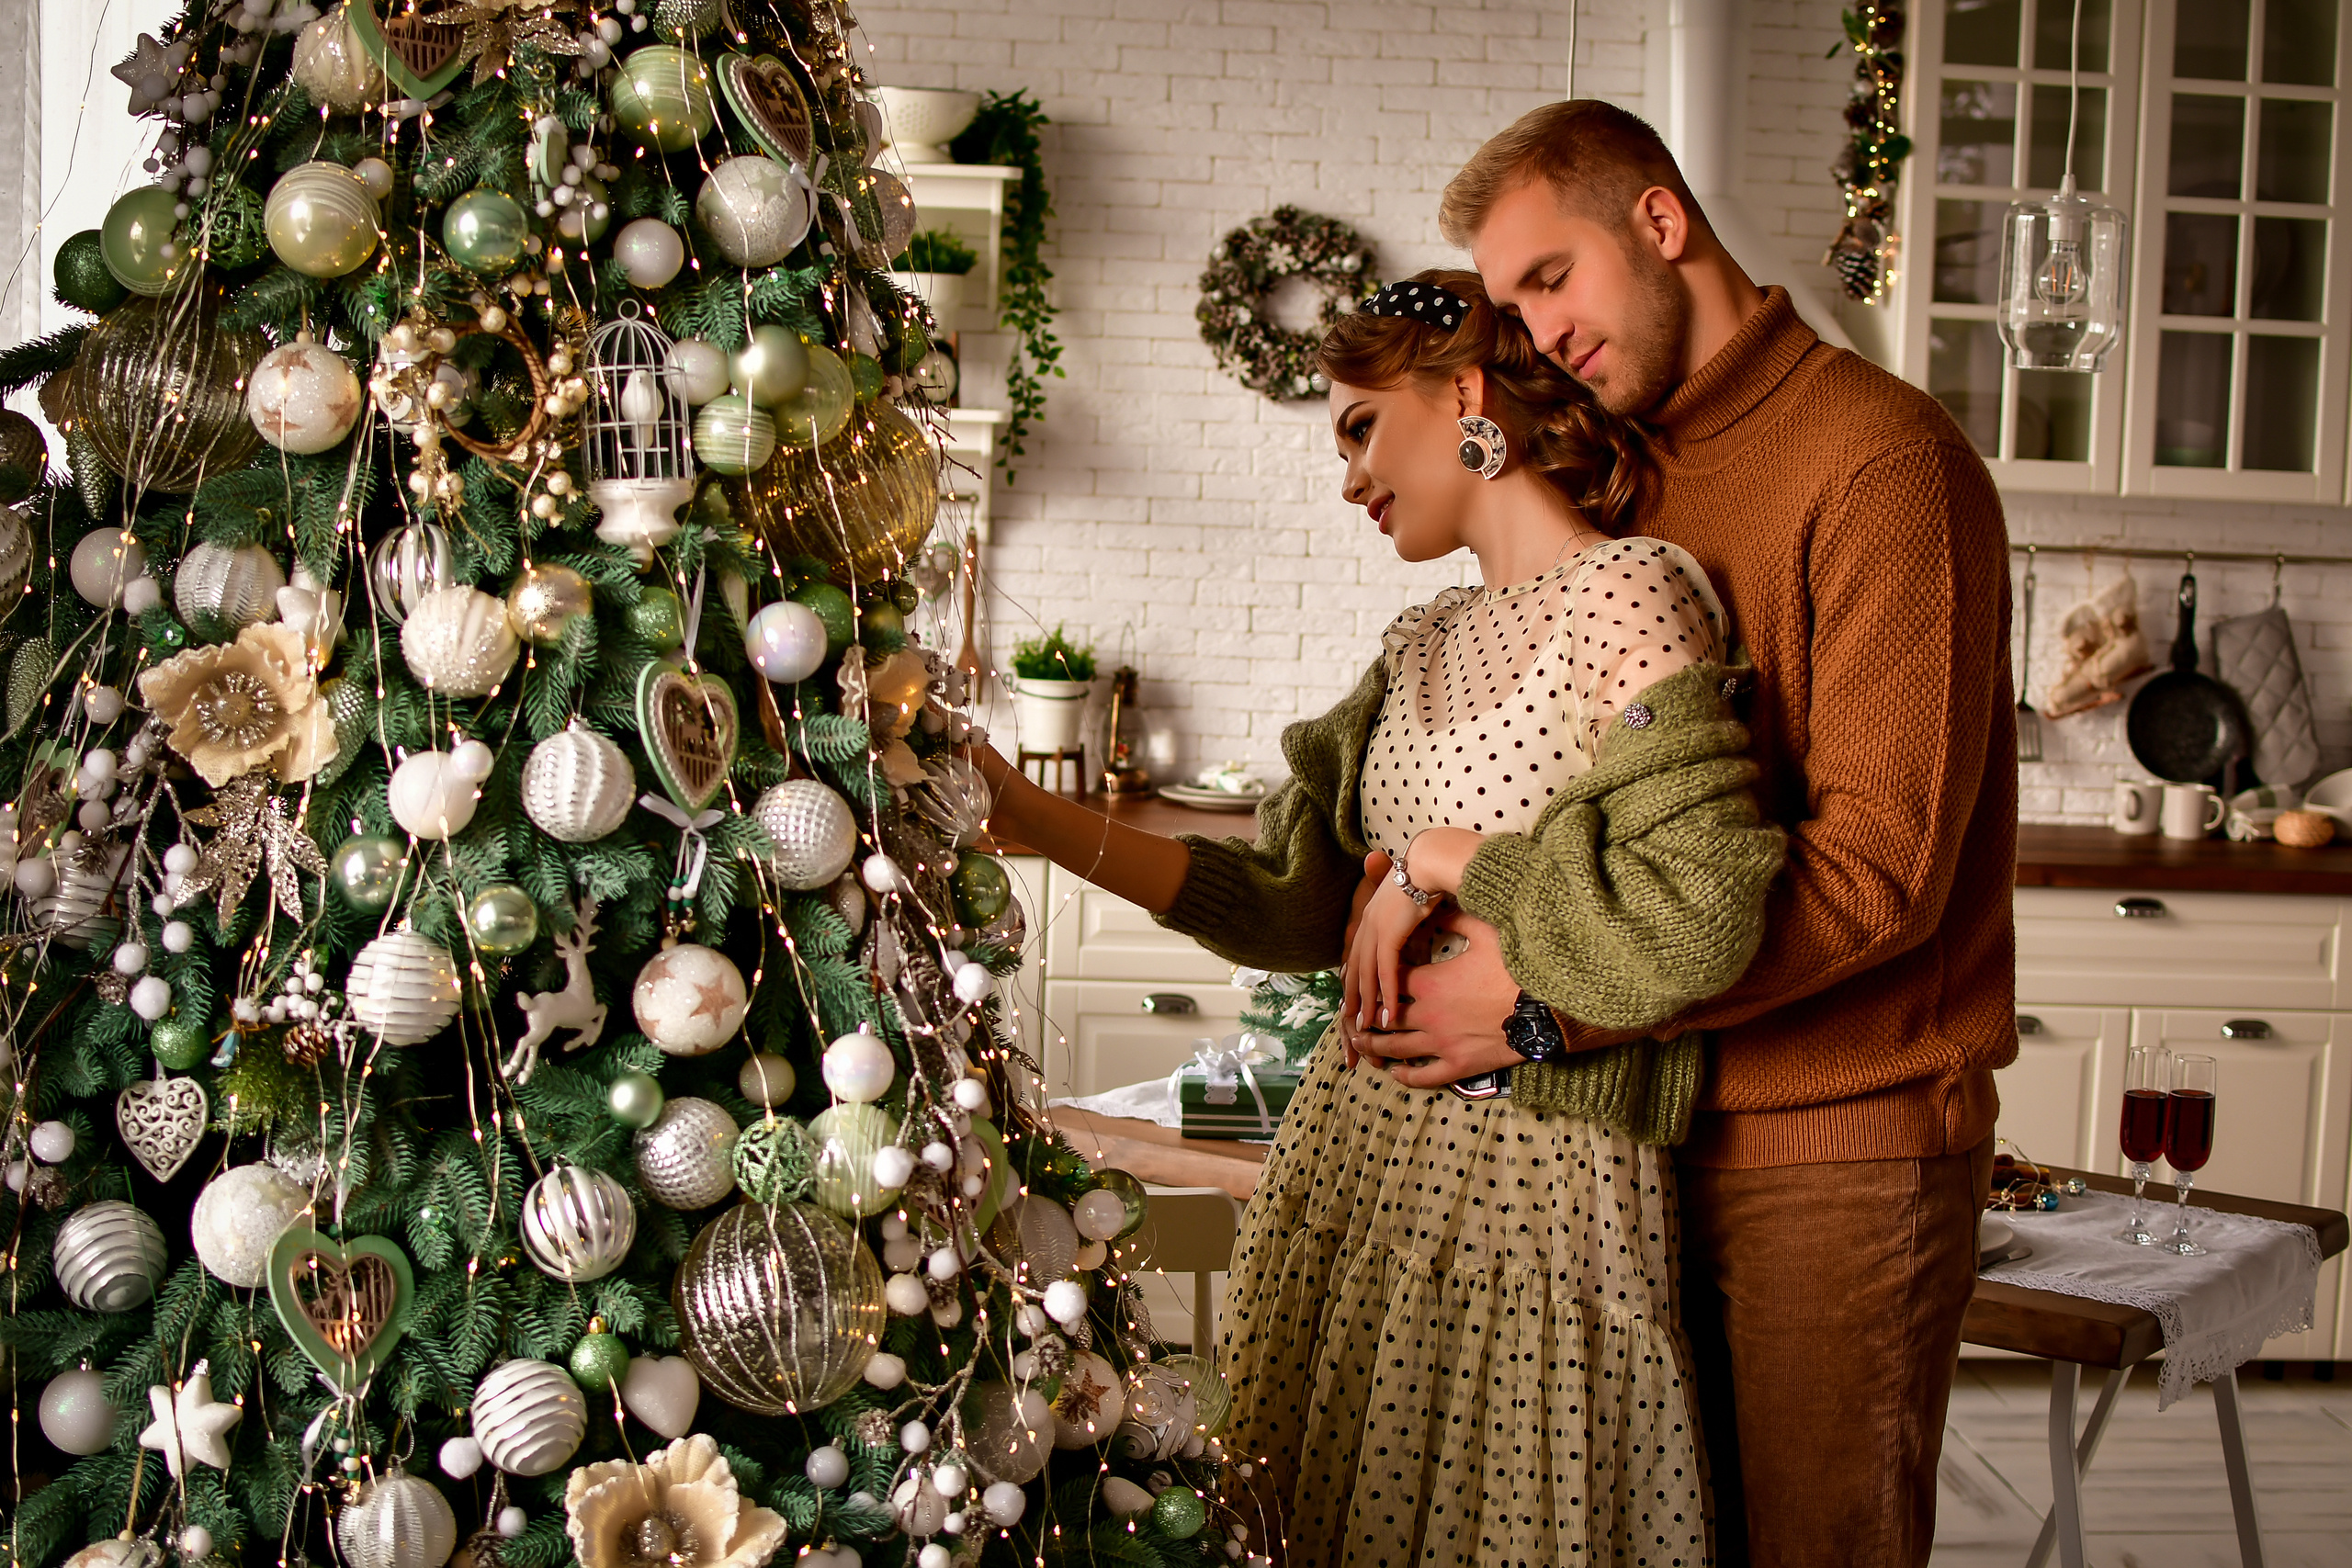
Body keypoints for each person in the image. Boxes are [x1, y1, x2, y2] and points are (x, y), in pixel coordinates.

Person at [972, 270, 1785, 1566]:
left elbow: (1691, 919)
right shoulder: (1421, 642)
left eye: (1359, 426)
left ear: (1465, 396)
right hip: (1354, 1174)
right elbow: (1293, 905)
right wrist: (1037, 819)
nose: (1349, 475)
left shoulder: (1634, 594)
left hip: (1540, 1191)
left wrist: (1447, 859)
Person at [1351, 100, 2016, 1568]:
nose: (1533, 330)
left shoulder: (1884, 462)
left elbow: (1878, 877)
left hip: (1833, 1149)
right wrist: (1411, 861)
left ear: (1661, 223)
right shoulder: (1632, 477)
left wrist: (1538, 1010)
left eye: (1550, 278)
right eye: (1510, 300)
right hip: (1643, 1139)